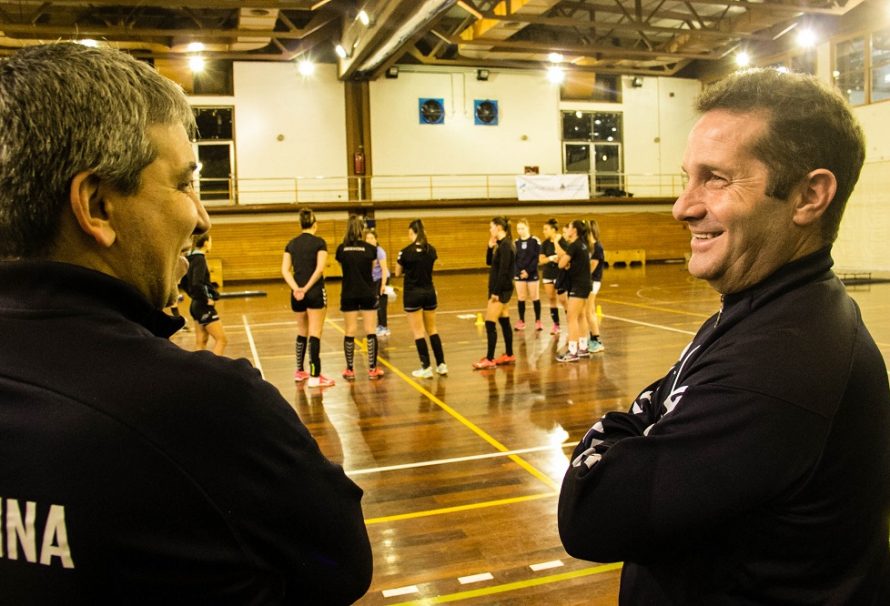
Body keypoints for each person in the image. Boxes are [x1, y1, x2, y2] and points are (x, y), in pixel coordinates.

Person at [0, 43, 371, 603]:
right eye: (183, 183)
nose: (200, 217)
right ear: (97, 206)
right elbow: (341, 568)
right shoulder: (210, 408)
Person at [559, 68, 890, 604]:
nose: (682, 206)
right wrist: (644, 420)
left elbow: (590, 514)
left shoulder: (781, 363)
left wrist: (630, 426)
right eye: (688, 176)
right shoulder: (764, 311)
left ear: (809, 196)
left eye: (715, 179)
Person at [282, 208, 335, 388]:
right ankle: (315, 375)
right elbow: (319, 269)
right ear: (315, 224)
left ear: (300, 224)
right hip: (314, 292)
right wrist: (306, 288)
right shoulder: (320, 243)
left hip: (296, 294)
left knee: (301, 331)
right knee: (315, 332)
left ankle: (299, 371)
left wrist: (297, 288)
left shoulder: (291, 244)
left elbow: (284, 270)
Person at [395, 219, 447, 378]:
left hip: (413, 294)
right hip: (429, 292)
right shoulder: (431, 250)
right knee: (432, 329)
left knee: (418, 332)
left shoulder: (405, 252)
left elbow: (397, 273)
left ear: (412, 232)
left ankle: (426, 367)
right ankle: (441, 364)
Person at [336, 215, 384, 380]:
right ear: (361, 230)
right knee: (370, 330)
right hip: (367, 292)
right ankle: (372, 369)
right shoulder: (370, 249)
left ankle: (350, 369)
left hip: (349, 292)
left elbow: (344, 269)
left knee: (350, 331)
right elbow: (370, 270)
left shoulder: (341, 249)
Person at [473, 216, 516, 369]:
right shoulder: (501, 244)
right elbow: (489, 262)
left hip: (501, 290)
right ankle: (509, 354)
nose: (490, 230)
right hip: (502, 289)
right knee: (504, 322)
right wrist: (490, 247)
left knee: (490, 323)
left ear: (498, 227)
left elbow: (504, 271)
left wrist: (496, 292)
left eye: (491, 227)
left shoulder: (506, 246)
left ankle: (490, 359)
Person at [555, 220, 592, 362]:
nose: (567, 230)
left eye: (569, 227)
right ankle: (583, 348)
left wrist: (558, 245)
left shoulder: (575, 246)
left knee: (571, 318)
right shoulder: (583, 245)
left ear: (574, 230)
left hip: (578, 286)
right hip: (584, 284)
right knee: (581, 316)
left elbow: (561, 264)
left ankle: (572, 351)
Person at [186, 233, 228, 355]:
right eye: (210, 241)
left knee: (201, 342)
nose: (211, 244)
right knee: (222, 340)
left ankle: (198, 371)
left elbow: (184, 282)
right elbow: (197, 283)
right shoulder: (200, 259)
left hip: (195, 305)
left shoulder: (190, 259)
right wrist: (206, 299)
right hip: (202, 306)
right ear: (205, 243)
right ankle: (214, 370)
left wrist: (194, 296)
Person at [512, 218, 543, 331]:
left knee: (535, 297)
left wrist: (528, 271)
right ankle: (521, 321)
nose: (520, 231)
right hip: (519, 274)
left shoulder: (535, 241)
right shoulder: (515, 242)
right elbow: (515, 259)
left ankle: (538, 321)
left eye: (522, 228)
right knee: (521, 298)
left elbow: (536, 258)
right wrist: (520, 272)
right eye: (518, 229)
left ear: (527, 227)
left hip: (532, 273)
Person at [365, 229, 391, 337]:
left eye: (372, 238)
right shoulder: (366, 251)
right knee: (375, 303)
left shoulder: (379, 251)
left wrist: (383, 285)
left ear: (376, 240)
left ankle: (384, 327)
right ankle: (379, 325)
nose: (370, 240)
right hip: (374, 280)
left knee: (382, 303)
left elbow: (384, 269)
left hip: (382, 278)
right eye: (367, 238)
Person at [585, 219, 605, 353]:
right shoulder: (589, 246)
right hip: (588, 282)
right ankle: (593, 337)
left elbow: (591, 267)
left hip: (593, 282)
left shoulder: (597, 247)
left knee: (588, 311)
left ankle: (596, 340)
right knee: (590, 311)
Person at [539, 218, 562, 335]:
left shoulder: (562, 241)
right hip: (548, 274)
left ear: (553, 230)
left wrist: (560, 259)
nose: (544, 231)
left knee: (564, 300)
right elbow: (541, 260)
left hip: (560, 274)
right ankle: (556, 325)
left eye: (546, 229)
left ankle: (571, 323)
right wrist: (551, 258)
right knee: (552, 299)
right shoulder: (545, 244)